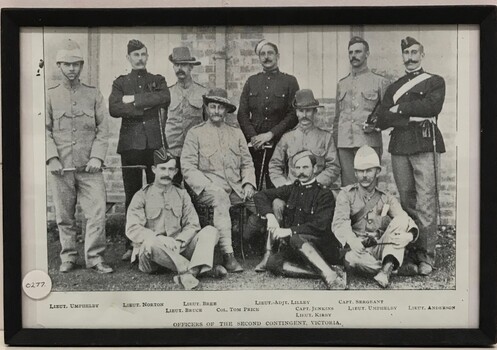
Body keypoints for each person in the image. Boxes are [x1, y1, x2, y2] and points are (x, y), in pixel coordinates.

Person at [374, 36, 446, 276]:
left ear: (422, 55)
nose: (411, 57)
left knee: (425, 202)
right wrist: (409, 116)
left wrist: (400, 109)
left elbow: (432, 107)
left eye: (415, 52)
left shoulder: (435, 81)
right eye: (407, 53)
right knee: (406, 203)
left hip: (425, 142)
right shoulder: (394, 87)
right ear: (403, 56)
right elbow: (382, 118)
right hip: (400, 147)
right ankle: (411, 253)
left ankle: (427, 257)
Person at [46, 39, 113, 274]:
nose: (72, 69)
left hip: (89, 168)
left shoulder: (93, 95)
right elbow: (43, 130)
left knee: (96, 213)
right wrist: (51, 157)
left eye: (76, 64)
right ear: (59, 66)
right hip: (61, 168)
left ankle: (95, 257)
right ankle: (69, 256)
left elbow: (103, 130)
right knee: (64, 216)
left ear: (82, 66)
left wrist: (97, 158)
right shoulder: (50, 96)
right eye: (67, 64)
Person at [126, 148, 226, 290]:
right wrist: (160, 239)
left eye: (171, 169)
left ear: (175, 172)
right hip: (153, 257)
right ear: (154, 170)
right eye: (163, 169)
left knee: (211, 231)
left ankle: (189, 272)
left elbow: (192, 224)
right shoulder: (141, 196)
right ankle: (196, 268)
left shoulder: (182, 194)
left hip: (179, 247)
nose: (166, 174)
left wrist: (179, 241)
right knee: (150, 242)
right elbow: (133, 229)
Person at [181, 88, 257, 273]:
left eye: (220, 108)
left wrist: (248, 183)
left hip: (236, 189)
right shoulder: (195, 133)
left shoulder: (236, 133)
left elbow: (247, 163)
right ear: (207, 109)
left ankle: (249, 244)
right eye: (212, 107)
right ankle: (228, 255)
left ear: (226, 111)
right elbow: (187, 166)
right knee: (221, 197)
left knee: (263, 204)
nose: (216, 111)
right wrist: (209, 186)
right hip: (207, 192)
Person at [109, 39, 171, 261]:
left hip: (154, 145)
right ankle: (131, 243)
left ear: (147, 56)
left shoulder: (157, 79)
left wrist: (134, 100)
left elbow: (164, 97)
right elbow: (114, 108)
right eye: (135, 55)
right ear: (128, 58)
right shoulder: (120, 82)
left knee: (158, 191)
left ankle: (160, 239)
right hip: (130, 147)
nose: (140, 58)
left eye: (143, 54)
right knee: (132, 194)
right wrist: (145, 108)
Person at [251, 151, 342, 289]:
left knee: (294, 238)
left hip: (320, 246)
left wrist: (289, 231)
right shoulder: (292, 189)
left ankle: (330, 275)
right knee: (272, 263)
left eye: (305, 167)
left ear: (315, 169)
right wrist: (270, 217)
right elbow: (260, 196)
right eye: (298, 168)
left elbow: (320, 226)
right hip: (297, 247)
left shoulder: (324, 194)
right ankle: (324, 273)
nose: (301, 172)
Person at [332, 145, 419, 288]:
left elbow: (405, 219)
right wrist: (352, 241)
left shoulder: (386, 198)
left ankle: (386, 269)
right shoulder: (346, 195)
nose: (364, 175)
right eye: (360, 171)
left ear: (377, 172)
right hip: (359, 250)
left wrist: (408, 236)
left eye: (369, 170)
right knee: (351, 259)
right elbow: (340, 223)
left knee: (401, 220)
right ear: (355, 173)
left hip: (381, 246)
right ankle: (391, 267)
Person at [237, 39, 300, 189]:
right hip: (255, 146)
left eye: (270, 53)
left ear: (277, 56)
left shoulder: (289, 81)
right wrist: (253, 137)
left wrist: (270, 134)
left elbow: (293, 115)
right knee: (253, 185)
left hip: (279, 143)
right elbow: (242, 113)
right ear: (259, 58)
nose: (266, 57)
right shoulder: (252, 81)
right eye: (262, 54)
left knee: (277, 187)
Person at [334, 36, 389, 187]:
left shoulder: (380, 82)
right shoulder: (342, 84)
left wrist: (376, 125)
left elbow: (388, 115)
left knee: (369, 187)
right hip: (344, 144)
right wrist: (335, 144)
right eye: (351, 52)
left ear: (367, 54)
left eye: (358, 51)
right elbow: (337, 117)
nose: (354, 56)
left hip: (368, 142)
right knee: (349, 188)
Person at [269, 89, 340, 189]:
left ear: (315, 112)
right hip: (293, 189)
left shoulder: (326, 137)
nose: (304, 115)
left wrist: (316, 183)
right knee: (277, 204)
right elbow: (274, 165)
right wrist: (284, 185)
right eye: (301, 111)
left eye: (308, 111)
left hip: (317, 190)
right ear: (296, 113)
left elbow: (333, 167)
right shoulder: (287, 138)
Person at [165, 47, 207, 158]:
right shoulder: (167, 93)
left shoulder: (203, 93)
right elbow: (161, 122)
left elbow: (208, 123)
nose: (180, 68)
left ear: (191, 67)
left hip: (195, 151)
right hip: (171, 152)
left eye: (183, 65)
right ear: (173, 67)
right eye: (177, 65)